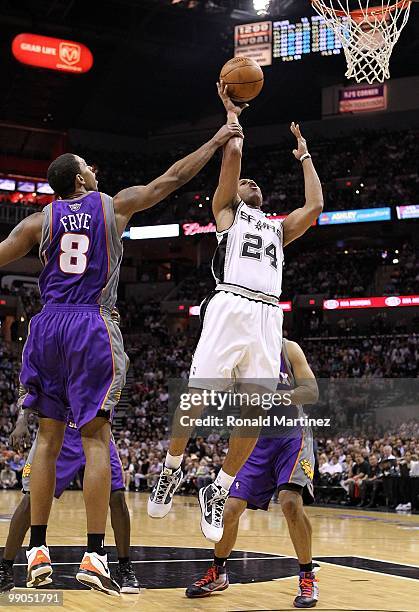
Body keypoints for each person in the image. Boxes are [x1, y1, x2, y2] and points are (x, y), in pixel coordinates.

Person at [0, 121, 243, 595]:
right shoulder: (111, 206)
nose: (94, 168)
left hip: (46, 325)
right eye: (88, 167)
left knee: (47, 440)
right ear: (80, 180)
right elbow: (169, 181)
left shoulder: (37, 221)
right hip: (90, 323)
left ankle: (39, 548)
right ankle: (94, 554)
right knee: (95, 440)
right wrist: (216, 141)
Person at [148, 82, 324, 543]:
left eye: (256, 183)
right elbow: (231, 161)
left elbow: (317, 205)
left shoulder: (279, 230)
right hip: (230, 302)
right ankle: (170, 469)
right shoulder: (226, 212)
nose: (252, 183)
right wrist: (233, 118)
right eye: (248, 181)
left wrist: (304, 155)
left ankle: (219, 487)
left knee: (255, 409)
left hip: (269, 315)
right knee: (197, 395)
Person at [185, 339, 320, 609]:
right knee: (229, 511)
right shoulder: (240, 352)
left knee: (291, 502)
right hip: (255, 439)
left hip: (291, 436)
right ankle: (218, 573)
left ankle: (307, 576)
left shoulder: (288, 348)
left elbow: (311, 391)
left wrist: (279, 396)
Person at [0, 409, 139, 594]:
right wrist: (22, 418)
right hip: (61, 432)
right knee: (32, 499)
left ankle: (124, 568)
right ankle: (5, 568)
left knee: (118, 496)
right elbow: (32, 385)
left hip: (96, 431)